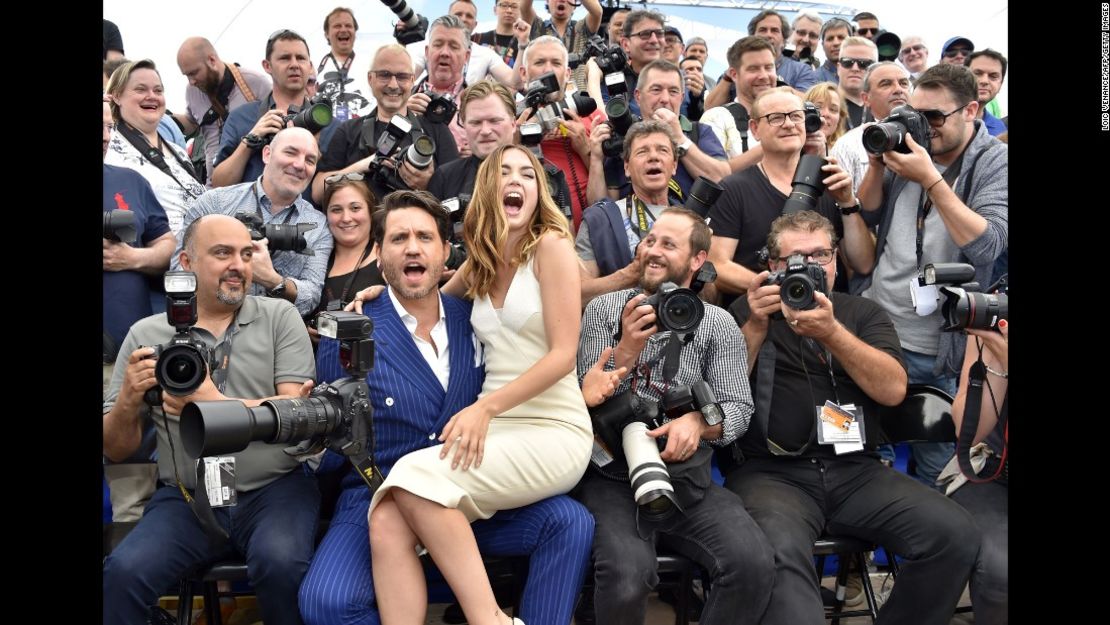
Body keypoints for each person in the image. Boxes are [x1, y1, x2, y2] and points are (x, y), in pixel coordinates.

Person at [299, 189, 595, 625]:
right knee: (326, 603)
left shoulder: (475, 318)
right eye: (399, 239)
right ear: (379, 255)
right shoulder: (349, 332)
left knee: (570, 522)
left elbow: (533, 363)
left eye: (424, 237)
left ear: (444, 253)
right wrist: (310, 440)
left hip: (468, 491)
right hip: (379, 497)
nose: (413, 247)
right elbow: (335, 447)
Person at [723, 210, 978, 625]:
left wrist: (832, 333)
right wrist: (753, 325)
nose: (810, 267)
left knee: (953, 534)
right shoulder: (747, 310)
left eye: (820, 254)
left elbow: (893, 390)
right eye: (795, 259)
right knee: (778, 551)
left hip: (857, 470)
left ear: (836, 260)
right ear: (772, 266)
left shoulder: (863, 313)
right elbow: (721, 394)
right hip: (770, 473)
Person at [102, 214, 319, 625]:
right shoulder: (146, 332)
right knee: (123, 574)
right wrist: (129, 398)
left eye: (246, 253)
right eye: (222, 253)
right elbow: (116, 449)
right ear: (185, 261)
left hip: (274, 490)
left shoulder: (280, 317)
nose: (238, 264)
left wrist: (215, 404)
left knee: (283, 566)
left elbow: (298, 410)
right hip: (187, 497)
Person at [575, 207, 775, 625]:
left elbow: (739, 405)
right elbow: (582, 402)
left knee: (753, 563)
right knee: (628, 575)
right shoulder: (604, 309)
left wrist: (700, 423)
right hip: (612, 478)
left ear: (698, 260)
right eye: (649, 241)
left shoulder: (718, 323)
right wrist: (627, 347)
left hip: (689, 479)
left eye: (668, 244)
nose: (653, 250)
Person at [857, 62, 1008, 486]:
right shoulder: (911, 147)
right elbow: (868, 210)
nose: (923, 128)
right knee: (872, 455)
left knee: (935, 463)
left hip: (940, 346)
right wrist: (876, 165)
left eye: (935, 118)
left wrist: (931, 181)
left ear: (972, 110)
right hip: (881, 326)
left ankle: (926, 546)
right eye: (915, 115)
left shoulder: (996, 163)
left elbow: (988, 243)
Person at [102, 97, 177, 523]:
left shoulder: (131, 180)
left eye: (109, 126)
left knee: (134, 493)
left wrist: (131, 259)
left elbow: (167, 245)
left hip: (123, 358)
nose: (106, 135)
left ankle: (134, 580)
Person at [174, 127, 333, 317]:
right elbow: (179, 269)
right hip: (209, 322)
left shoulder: (318, 225)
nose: (300, 165)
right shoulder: (215, 203)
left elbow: (311, 297)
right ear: (267, 154)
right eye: (290, 152)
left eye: (310, 160)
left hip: (273, 332)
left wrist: (272, 279)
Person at [312, 44, 459, 205]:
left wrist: (427, 184)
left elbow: (455, 197)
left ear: (412, 80)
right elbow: (318, 192)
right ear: (370, 79)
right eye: (384, 75)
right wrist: (367, 164)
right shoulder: (348, 131)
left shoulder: (436, 130)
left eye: (402, 76)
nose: (393, 85)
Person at [942, 320, 1009, 625]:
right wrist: (996, 358)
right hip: (993, 472)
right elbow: (968, 430)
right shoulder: (998, 316)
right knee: (999, 573)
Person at [105, 59, 206, 236]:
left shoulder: (179, 152)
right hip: (152, 253)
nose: (152, 96)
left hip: (201, 246)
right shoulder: (108, 145)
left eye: (158, 90)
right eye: (140, 89)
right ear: (116, 95)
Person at [175, 37, 272, 186]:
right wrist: (164, 117)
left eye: (194, 73)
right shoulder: (192, 91)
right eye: (187, 75)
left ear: (212, 60)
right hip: (214, 186)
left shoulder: (255, 82)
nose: (191, 81)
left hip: (252, 185)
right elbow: (192, 123)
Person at [308, 174, 383, 340]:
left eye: (355, 208)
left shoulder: (386, 255)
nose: (346, 218)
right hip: (322, 361)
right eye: (336, 210)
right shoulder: (316, 260)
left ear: (371, 211)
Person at [317, 7, 375, 122]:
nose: (343, 30)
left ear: (355, 32)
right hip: (326, 134)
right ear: (327, 34)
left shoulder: (372, 63)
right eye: (337, 26)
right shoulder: (314, 66)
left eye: (348, 26)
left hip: (364, 133)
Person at [804, 82, 846, 149]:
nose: (826, 114)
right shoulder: (793, 147)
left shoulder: (845, 151)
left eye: (833, 109)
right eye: (818, 107)